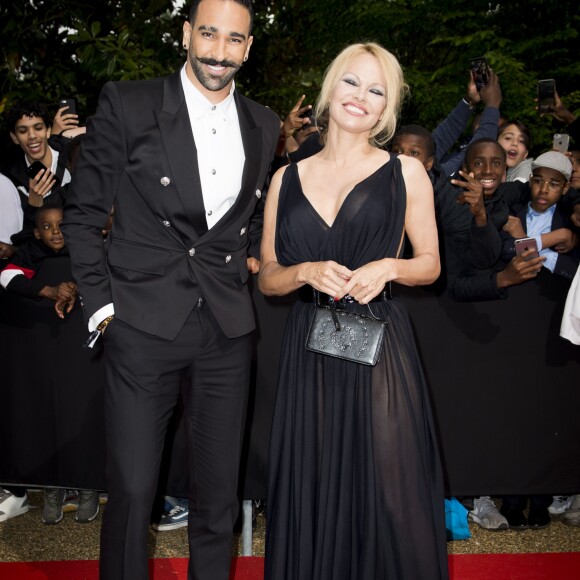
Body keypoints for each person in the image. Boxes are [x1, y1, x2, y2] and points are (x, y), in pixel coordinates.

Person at [61, 0, 279, 578]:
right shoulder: (130, 103)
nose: (219, 52)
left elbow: (248, 218)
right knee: (133, 491)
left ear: (248, 48)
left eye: (234, 40)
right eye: (208, 34)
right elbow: (82, 215)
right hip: (140, 323)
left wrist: (257, 255)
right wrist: (103, 307)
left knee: (218, 498)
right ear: (186, 33)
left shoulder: (265, 122)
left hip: (227, 330)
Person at [259, 42, 448, 579]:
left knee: (393, 489)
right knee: (313, 485)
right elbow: (269, 276)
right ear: (330, 87)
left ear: (387, 108)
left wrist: (390, 267)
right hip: (308, 345)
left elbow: (431, 264)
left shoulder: (404, 172)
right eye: (351, 82)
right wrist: (304, 272)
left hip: (381, 344)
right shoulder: (284, 179)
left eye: (376, 90)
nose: (360, 97)